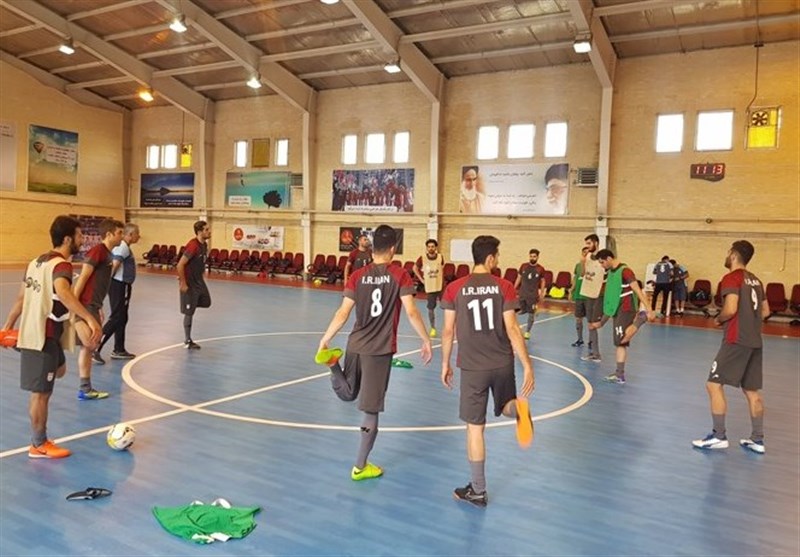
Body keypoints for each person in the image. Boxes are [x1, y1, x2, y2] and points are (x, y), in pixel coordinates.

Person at [317, 225, 432, 481]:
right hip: (379, 350)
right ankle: (360, 466)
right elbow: (412, 311)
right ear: (392, 248)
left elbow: (342, 312)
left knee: (348, 393)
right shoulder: (400, 275)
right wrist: (425, 339)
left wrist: (326, 338)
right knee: (370, 410)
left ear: (372, 249)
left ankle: (334, 365)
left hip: (355, 343)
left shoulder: (357, 275)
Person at [441, 235, 535, 508]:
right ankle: (519, 410)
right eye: (498, 256)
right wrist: (527, 365)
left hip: (472, 368)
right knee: (506, 405)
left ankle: (478, 490)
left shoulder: (454, 288)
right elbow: (513, 328)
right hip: (502, 362)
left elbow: (447, 330)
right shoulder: (504, 286)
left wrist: (445, 363)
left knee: (475, 428)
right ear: (491, 258)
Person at [1, 216, 101, 458]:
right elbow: (65, 294)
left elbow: (22, 298)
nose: (82, 240)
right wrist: (89, 319)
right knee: (42, 393)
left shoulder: (36, 263)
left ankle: (33, 362)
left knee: (60, 370)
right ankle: (38, 444)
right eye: (79, 235)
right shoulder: (61, 266)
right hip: (42, 336)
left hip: (48, 336)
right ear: (67, 239)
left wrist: (7, 327)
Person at [692, 240, 769, 454]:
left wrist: (718, 319)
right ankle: (757, 439)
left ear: (734, 255)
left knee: (713, 384)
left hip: (736, 340)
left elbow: (731, 308)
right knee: (752, 391)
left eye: (728, 252)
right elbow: (765, 311)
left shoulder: (732, 277)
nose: (727, 256)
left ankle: (719, 436)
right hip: (755, 342)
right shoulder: (756, 280)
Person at [73, 218, 124, 400]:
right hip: (85, 306)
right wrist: (75, 308)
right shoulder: (98, 251)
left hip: (93, 306)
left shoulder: (108, 254)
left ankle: (85, 389)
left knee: (88, 347)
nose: (122, 236)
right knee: (90, 344)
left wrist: (99, 306)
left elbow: (99, 285)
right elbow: (83, 278)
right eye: (119, 233)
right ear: (109, 234)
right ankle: (84, 389)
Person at [589, 249, 655, 385]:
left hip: (626, 308)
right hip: (616, 309)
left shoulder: (626, 271)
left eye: (602, 262)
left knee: (622, 340)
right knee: (620, 343)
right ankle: (619, 374)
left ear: (609, 258)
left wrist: (649, 309)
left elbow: (637, 290)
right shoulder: (610, 273)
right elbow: (611, 296)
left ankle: (641, 319)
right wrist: (602, 321)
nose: (601, 265)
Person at [93, 223, 140, 363]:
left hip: (120, 285)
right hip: (119, 285)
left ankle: (119, 349)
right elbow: (114, 265)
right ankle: (95, 347)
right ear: (130, 235)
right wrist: (107, 284)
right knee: (117, 317)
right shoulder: (123, 247)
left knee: (122, 317)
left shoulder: (124, 247)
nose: (139, 236)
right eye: (137, 233)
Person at [177, 221, 212, 349]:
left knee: (207, 302)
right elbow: (180, 264)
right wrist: (183, 282)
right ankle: (188, 340)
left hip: (199, 281)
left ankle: (190, 304)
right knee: (189, 312)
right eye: (206, 229)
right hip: (190, 283)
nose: (209, 232)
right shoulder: (193, 246)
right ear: (200, 232)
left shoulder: (204, 245)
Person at [579, 234, 605, 362]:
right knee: (590, 324)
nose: (587, 246)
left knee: (594, 324)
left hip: (597, 295)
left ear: (596, 243)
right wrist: (583, 262)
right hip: (587, 293)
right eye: (586, 244)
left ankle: (596, 354)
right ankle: (594, 353)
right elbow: (583, 274)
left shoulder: (603, 258)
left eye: (589, 243)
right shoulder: (588, 256)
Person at [414, 239, 445, 338]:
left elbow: (442, 268)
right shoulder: (422, 258)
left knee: (447, 307)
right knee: (431, 309)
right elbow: (415, 268)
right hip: (430, 287)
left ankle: (448, 327)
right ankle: (432, 328)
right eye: (429, 246)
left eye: (432, 246)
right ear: (427, 248)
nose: (431, 248)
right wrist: (421, 280)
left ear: (435, 247)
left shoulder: (440, 257)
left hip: (440, 286)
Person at [513, 248, 546, 340]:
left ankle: (527, 332)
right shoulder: (523, 266)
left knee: (531, 313)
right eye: (531, 256)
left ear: (538, 257)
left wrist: (542, 293)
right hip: (522, 294)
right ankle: (514, 329)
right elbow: (518, 277)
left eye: (534, 256)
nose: (532, 258)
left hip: (533, 296)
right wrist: (513, 288)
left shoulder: (540, 269)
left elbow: (543, 281)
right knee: (517, 311)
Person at [571, 246, 590, 347]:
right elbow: (575, 277)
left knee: (590, 320)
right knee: (578, 319)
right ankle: (580, 339)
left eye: (587, 253)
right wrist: (572, 290)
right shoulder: (577, 265)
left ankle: (591, 341)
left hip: (588, 296)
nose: (585, 255)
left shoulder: (592, 266)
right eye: (584, 253)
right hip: (579, 295)